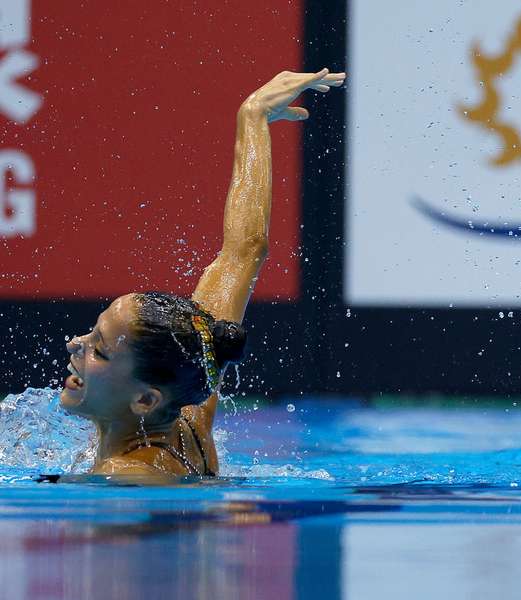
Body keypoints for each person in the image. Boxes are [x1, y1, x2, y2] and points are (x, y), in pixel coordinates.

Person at [59, 68, 345, 477]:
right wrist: (253, 116)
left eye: (100, 350)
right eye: (92, 336)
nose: (75, 345)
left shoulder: (128, 476)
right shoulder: (185, 412)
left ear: (145, 400)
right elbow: (243, 251)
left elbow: (246, 253)